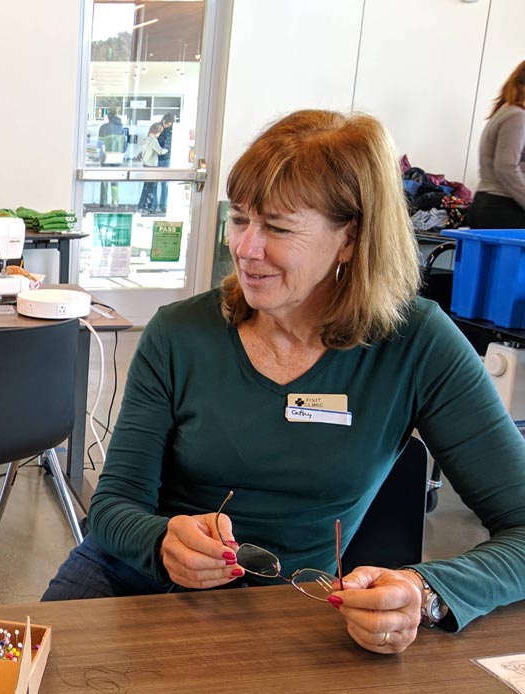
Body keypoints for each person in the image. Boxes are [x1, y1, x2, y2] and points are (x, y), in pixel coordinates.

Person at [42, 109, 525, 655]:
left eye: (277, 227)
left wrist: (426, 590)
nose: (245, 248)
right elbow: (113, 506)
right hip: (132, 580)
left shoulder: (417, 344)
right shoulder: (180, 334)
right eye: (241, 218)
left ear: (350, 238)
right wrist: (161, 541)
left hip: (292, 611)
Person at [466, 60, 525, 229]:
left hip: (491, 205)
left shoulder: (506, 111)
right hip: (502, 208)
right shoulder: (516, 116)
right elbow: (506, 167)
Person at [137, 122, 167, 215]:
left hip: (145, 165)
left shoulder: (146, 139)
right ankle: (148, 208)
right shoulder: (154, 140)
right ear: (157, 131)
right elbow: (160, 151)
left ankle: (141, 206)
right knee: (151, 188)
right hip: (152, 166)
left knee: (146, 187)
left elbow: (141, 153)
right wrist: (167, 150)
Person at [98, 113, 127, 206]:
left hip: (106, 157)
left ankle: (103, 201)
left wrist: (101, 153)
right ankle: (115, 202)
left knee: (104, 180)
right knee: (115, 180)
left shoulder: (103, 128)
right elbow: (125, 146)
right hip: (117, 158)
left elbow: (99, 143)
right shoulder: (121, 129)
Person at [155, 112, 175, 214]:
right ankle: (156, 205)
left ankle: (163, 206)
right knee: (156, 183)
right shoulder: (157, 128)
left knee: (164, 184)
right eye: (169, 123)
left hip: (164, 158)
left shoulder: (170, 130)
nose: (169, 125)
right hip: (160, 158)